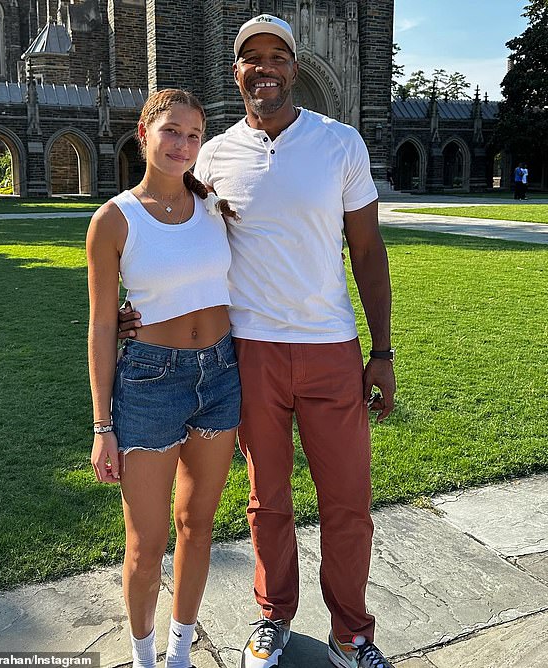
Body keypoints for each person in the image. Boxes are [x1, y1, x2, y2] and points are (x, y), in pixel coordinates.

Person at [119, 15, 397, 668]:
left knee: (348, 505)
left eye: (277, 55)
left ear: (293, 68)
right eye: (252, 57)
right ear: (236, 70)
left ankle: (351, 634)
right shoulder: (212, 156)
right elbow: (173, 231)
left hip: (330, 348)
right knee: (266, 501)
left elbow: (367, 248)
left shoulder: (340, 144)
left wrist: (381, 350)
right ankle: (273, 617)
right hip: (250, 354)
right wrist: (139, 309)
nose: (264, 67)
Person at [87, 88, 242, 668]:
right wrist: (103, 424)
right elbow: (102, 325)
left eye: (194, 135)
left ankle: (181, 650)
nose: (183, 145)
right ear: (144, 133)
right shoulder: (114, 220)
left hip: (221, 377)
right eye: (172, 131)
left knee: (197, 527)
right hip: (151, 383)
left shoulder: (213, 207)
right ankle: (145, 655)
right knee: (146, 543)